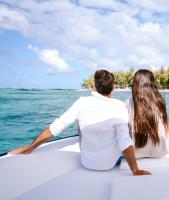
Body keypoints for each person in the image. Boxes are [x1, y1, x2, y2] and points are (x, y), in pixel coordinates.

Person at [10, 70, 150, 176]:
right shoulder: (120, 107)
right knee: (122, 131)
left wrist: (31, 147)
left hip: (86, 162)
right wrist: (135, 169)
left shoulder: (81, 102)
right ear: (113, 87)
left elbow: (55, 127)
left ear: (94, 86)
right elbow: (124, 142)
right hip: (109, 164)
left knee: (80, 121)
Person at [126, 69, 169, 158]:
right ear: (152, 84)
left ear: (135, 84)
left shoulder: (128, 102)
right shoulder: (159, 101)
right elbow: (162, 127)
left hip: (136, 153)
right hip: (159, 151)